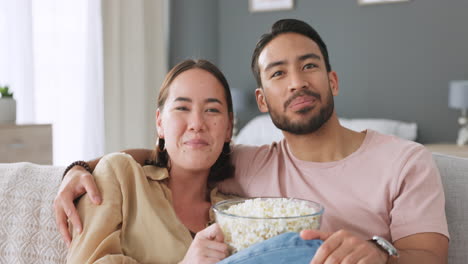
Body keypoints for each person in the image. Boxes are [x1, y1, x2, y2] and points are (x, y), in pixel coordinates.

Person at [55, 19, 449, 264]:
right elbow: (180, 153)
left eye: (309, 66)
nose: (296, 82)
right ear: (262, 101)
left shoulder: (405, 160)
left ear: (332, 81)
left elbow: (432, 257)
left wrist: (378, 255)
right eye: (278, 74)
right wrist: (82, 168)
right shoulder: (248, 166)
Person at [64, 58, 323, 264]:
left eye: (212, 110)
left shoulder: (236, 213)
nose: (197, 124)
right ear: (159, 122)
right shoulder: (120, 175)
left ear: (228, 127)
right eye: (182, 108)